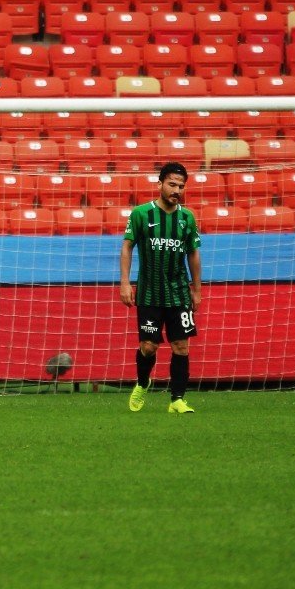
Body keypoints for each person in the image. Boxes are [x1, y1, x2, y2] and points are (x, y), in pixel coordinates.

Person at [120, 162, 201, 414]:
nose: (177, 190)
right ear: (160, 184)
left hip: (178, 293)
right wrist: (125, 283)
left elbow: (193, 254)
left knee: (181, 346)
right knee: (149, 347)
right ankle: (143, 383)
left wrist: (196, 289)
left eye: (181, 186)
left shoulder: (187, 218)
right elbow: (127, 247)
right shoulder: (141, 214)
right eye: (172, 184)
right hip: (149, 293)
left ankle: (177, 400)